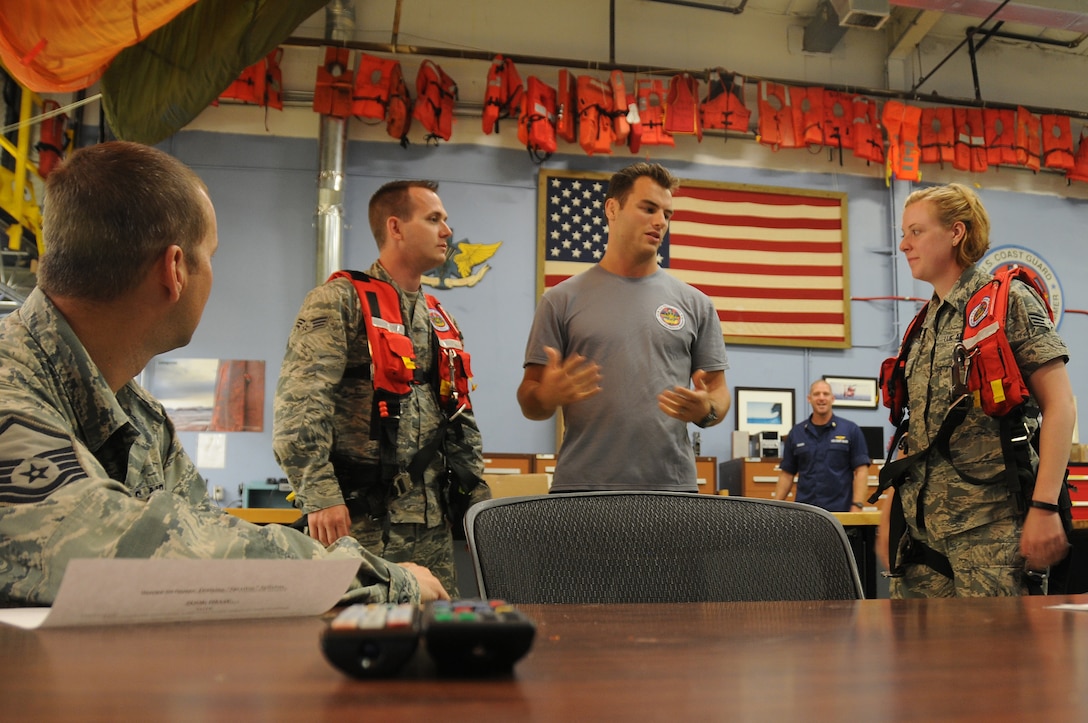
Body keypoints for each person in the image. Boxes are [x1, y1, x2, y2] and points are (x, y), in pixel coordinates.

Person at [0, 141, 448, 607]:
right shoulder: (9, 389)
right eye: (210, 255)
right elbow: (132, 550)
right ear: (174, 269)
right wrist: (373, 577)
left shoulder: (136, 413)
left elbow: (201, 528)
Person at [273, 180, 486, 597]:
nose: (447, 231)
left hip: (433, 526)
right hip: (361, 524)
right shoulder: (338, 301)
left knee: (439, 635)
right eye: (434, 219)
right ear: (396, 227)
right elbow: (300, 405)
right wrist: (319, 494)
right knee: (363, 637)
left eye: (446, 220)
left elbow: (460, 414)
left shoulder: (439, 319)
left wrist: (476, 498)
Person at [876, 182, 1074, 597]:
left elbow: (1061, 406)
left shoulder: (1008, 302)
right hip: (921, 534)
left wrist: (1044, 507)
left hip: (991, 532)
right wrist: (890, 510)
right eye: (903, 233)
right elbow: (917, 431)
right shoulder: (923, 324)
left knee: (997, 659)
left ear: (956, 232)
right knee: (917, 659)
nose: (903, 244)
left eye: (916, 231)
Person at [517, 162, 730, 492]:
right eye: (648, 208)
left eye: (667, 214)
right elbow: (529, 401)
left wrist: (707, 409)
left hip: (672, 490)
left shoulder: (696, 304)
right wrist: (546, 395)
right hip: (582, 490)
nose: (660, 222)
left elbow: (718, 392)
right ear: (612, 208)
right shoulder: (560, 300)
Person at [774, 379, 871, 512]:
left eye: (825, 394)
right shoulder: (796, 433)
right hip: (805, 512)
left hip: (840, 511)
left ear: (832, 398)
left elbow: (861, 471)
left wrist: (857, 505)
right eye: (816, 394)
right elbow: (787, 474)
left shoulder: (850, 430)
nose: (821, 398)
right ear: (809, 399)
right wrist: (774, 508)